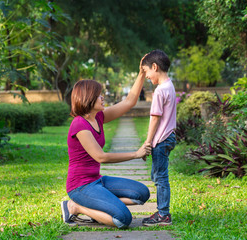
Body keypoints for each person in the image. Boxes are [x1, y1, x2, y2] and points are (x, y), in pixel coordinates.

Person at [61, 56, 151, 229]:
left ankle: (100, 202)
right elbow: (101, 157)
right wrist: (135, 154)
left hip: (97, 180)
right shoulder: (79, 124)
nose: (102, 98)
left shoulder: (99, 117)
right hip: (80, 186)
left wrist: (141, 73)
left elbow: (129, 101)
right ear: (88, 98)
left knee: (142, 193)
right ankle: (75, 206)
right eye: (98, 95)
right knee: (123, 219)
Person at [141, 50, 176, 226]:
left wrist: (148, 142)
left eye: (146, 71)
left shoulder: (159, 91)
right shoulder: (170, 85)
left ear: (155, 67)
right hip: (169, 137)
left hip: (161, 140)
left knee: (160, 177)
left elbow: (155, 118)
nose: (146, 76)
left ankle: (163, 215)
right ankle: (162, 211)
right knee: (157, 175)